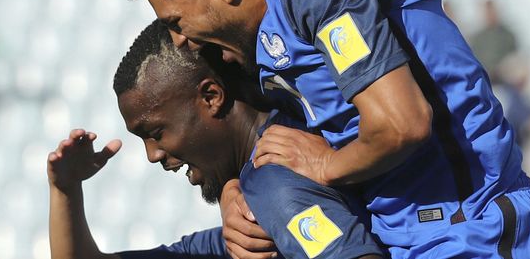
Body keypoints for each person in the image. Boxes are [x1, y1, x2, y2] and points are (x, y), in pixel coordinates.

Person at [104, 0, 530, 258]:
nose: (180, 41)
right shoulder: (254, 46)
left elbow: (403, 123)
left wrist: (325, 163)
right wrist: (234, 193)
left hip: (474, 224)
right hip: (403, 238)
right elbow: (252, 140)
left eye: (176, 23)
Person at [48, 20, 384, 259]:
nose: (153, 155)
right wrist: (65, 189)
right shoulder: (247, 221)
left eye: (156, 133)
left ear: (211, 96)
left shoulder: (273, 181)